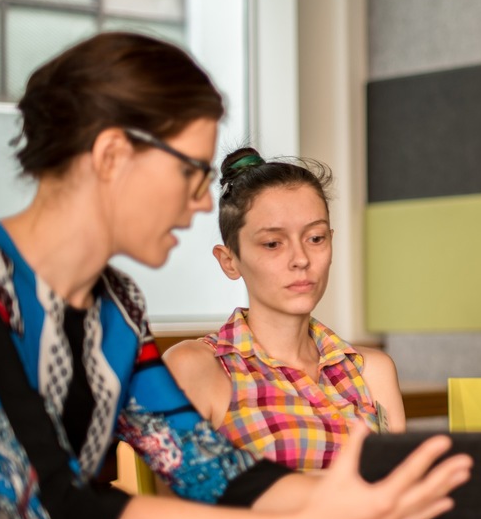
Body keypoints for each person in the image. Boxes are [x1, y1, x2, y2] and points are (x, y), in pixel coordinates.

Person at [0, 32, 471, 519]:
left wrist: (376, 500)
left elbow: (206, 465)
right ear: (112, 155)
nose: (204, 203)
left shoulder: (117, 306)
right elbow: (56, 512)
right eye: (191, 172)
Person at [162, 150, 404, 471]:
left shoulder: (371, 371)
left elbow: (404, 496)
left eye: (315, 238)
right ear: (229, 260)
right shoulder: (197, 368)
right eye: (273, 244)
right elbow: (179, 511)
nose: (301, 259)